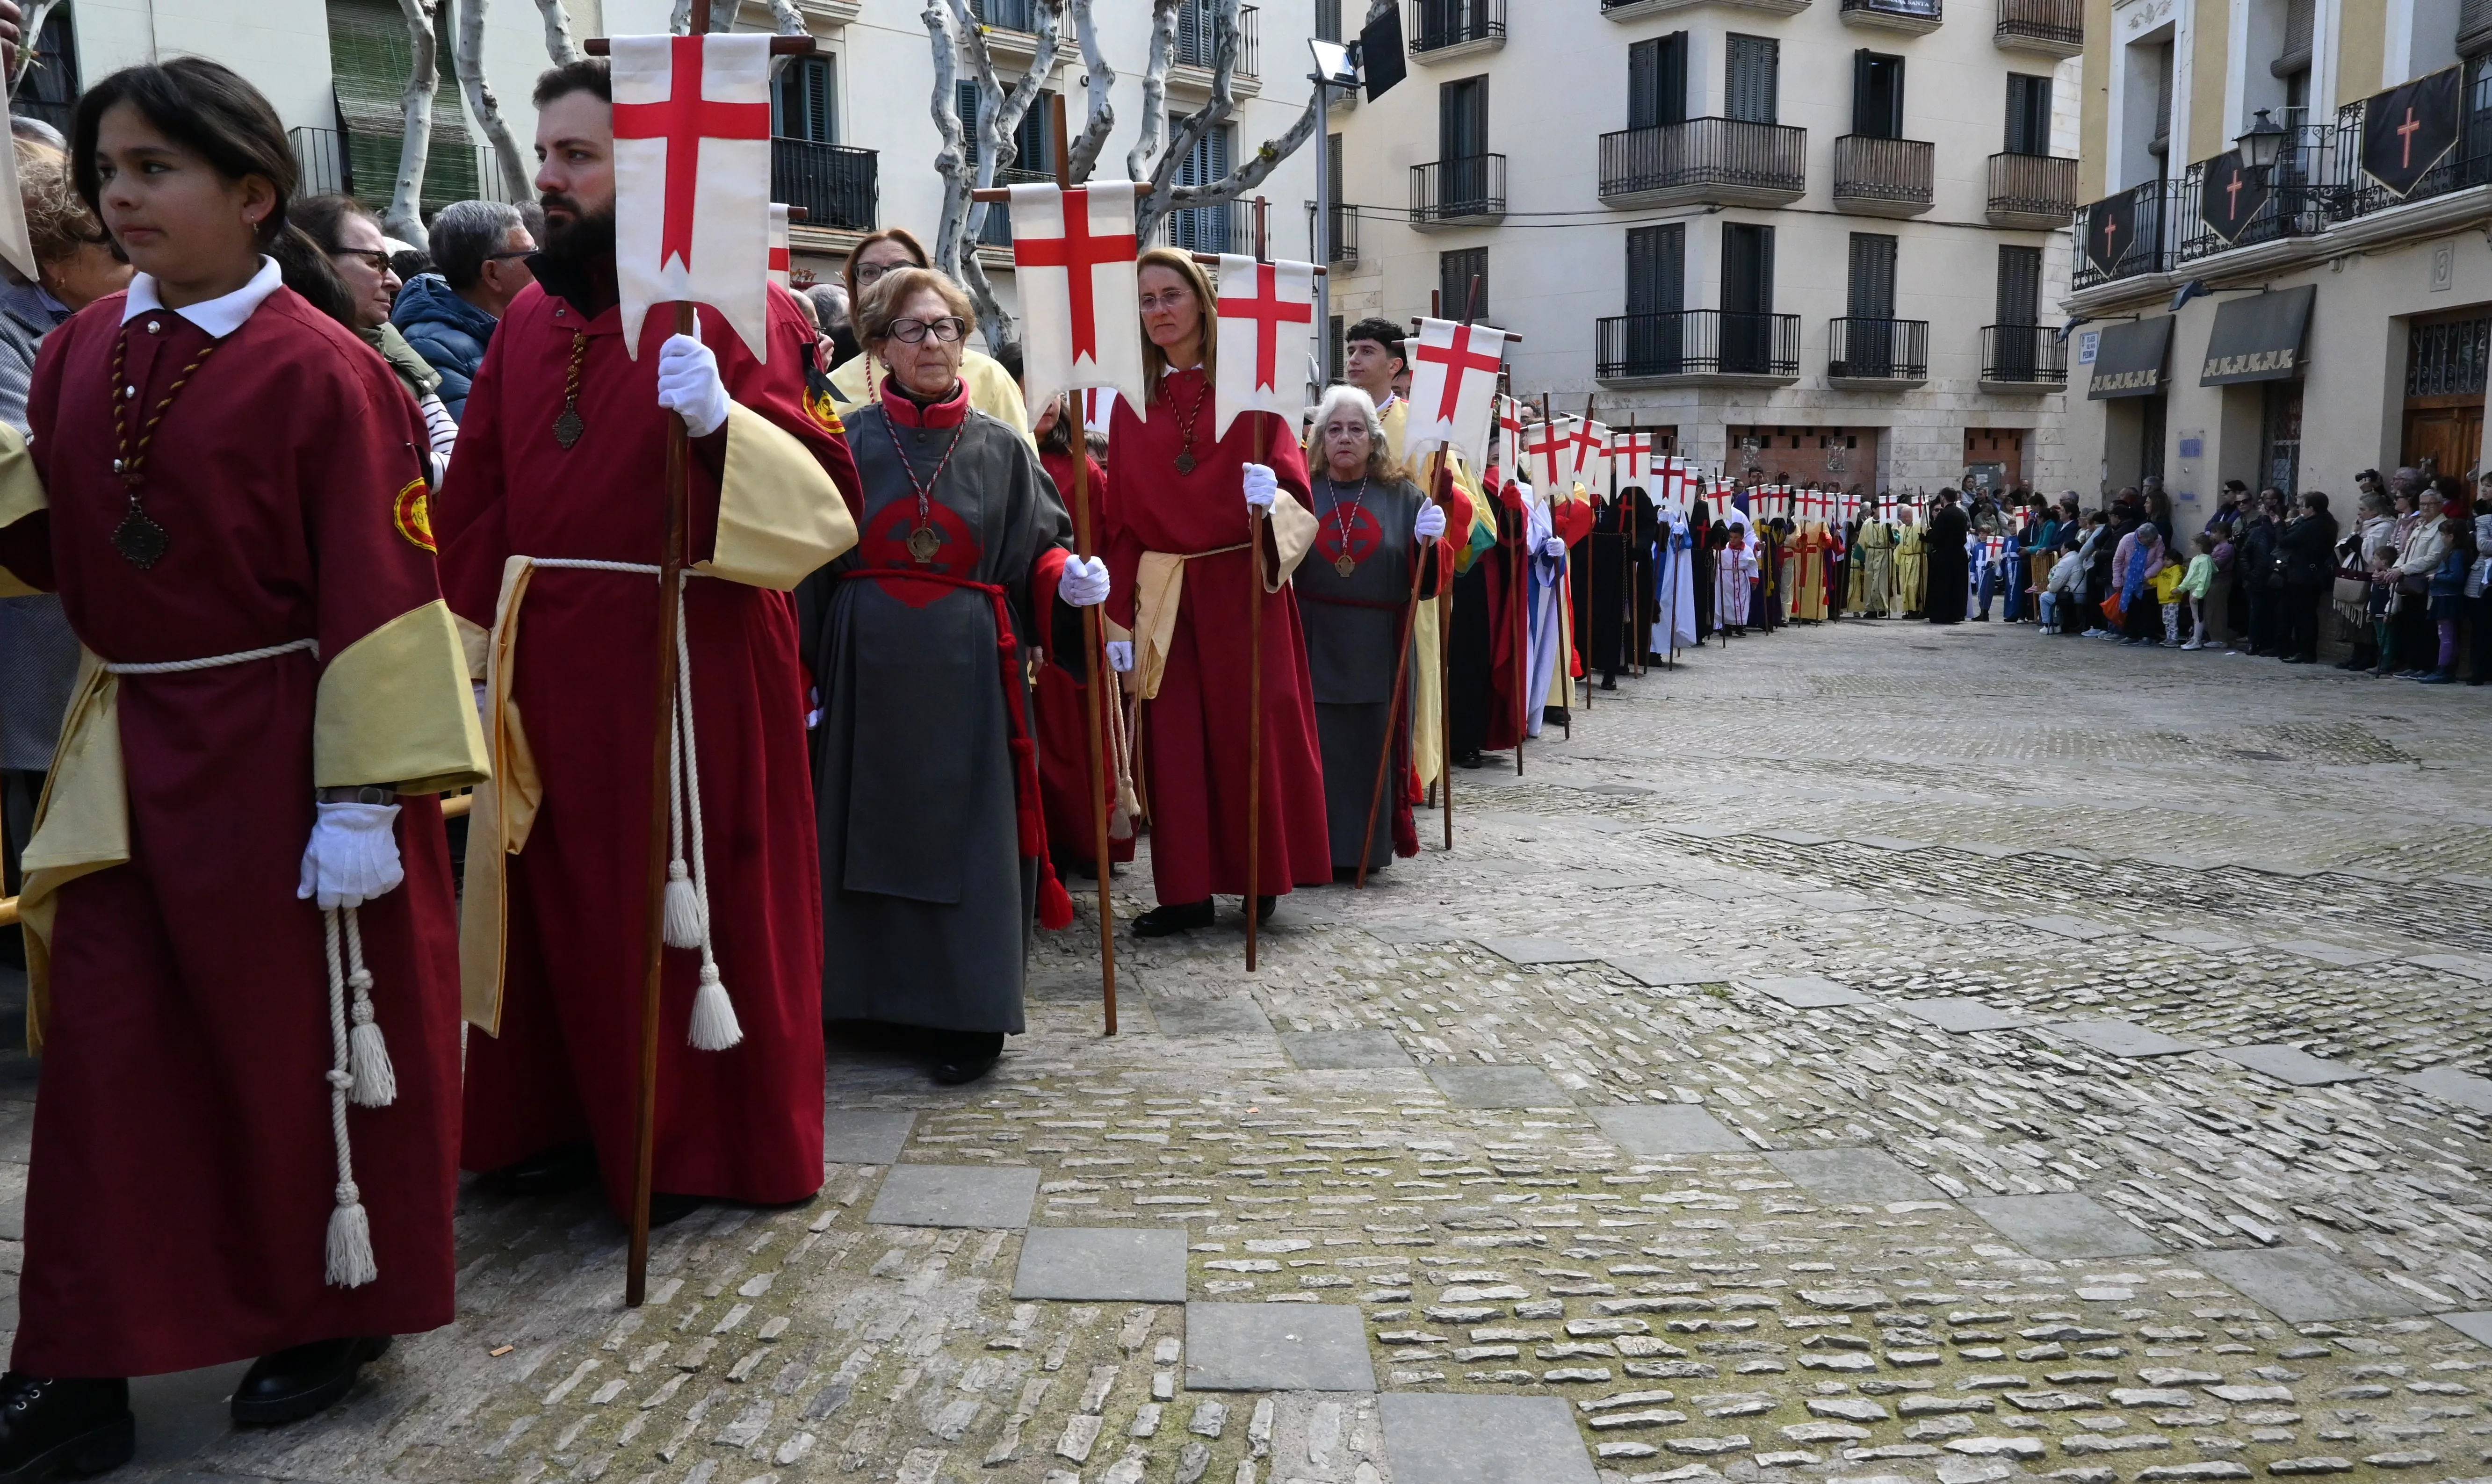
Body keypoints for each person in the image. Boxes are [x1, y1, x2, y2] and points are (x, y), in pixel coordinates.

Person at [0, 58, 490, 1460]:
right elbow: (69, 536)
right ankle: (82, 1358)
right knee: (105, 1055)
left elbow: (384, 591)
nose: (118, 194)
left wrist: (360, 800)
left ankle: (328, 1301)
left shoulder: (330, 370)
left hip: (289, 752)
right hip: (129, 749)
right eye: (108, 169)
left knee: (291, 1052)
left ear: (250, 192)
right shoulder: (82, 345)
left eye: (153, 167)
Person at [439, 58, 861, 1223]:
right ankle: (566, 1116)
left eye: (579, 157)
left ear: (655, 175)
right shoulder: (526, 318)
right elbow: (477, 501)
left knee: (682, 891)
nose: (550, 180)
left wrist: (728, 428)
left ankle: (691, 1140)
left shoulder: (743, 308)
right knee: (563, 896)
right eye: (547, 156)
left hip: (694, 657)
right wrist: (462, 659)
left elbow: (828, 501)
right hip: (549, 658)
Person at [801, 268, 1102, 1084]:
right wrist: (805, 673)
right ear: (877, 347)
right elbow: (811, 562)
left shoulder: (1002, 447)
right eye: (913, 330)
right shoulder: (847, 438)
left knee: (966, 836)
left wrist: (1063, 584)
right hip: (864, 667)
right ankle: (861, 996)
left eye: (945, 329)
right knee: (864, 822)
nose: (933, 344)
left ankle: (966, 1012)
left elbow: (1038, 547)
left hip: (971, 671)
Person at [1102, 246, 1328, 937]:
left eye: (1171, 295)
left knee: (1248, 731)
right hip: (1167, 593)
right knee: (1173, 745)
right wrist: (1114, 617)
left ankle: (1260, 875)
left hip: (1242, 585)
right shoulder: (1127, 400)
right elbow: (1120, 519)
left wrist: (1274, 500)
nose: (1159, 311)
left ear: (1202, 300)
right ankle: (1186, 890)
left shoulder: (1252, 392)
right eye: (1146, 301)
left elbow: (1296, 497)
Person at [0, 138, 130, 915]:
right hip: (41, 609)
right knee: (48, 796)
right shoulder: (15, 335)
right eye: (108, 247)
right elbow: (29, 451)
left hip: (105, 605)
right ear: (53, 262)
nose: (132, 257)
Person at [1295, 385, 1462, 875]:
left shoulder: (1404, 497)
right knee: (1315, 747)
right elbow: (1273, 564)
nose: (1344, 438)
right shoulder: (1301, 492)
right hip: (1312, 635)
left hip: (1378, 642)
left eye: (1355, 429)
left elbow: (1427, 581)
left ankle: (1361, 851)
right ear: (1320, 440)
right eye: (1334, 429)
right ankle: (1313, 852)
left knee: (1370, 746)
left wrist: (1429, 541)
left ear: (1374, 439)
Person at [1328, 317, 1484, 788]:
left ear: (1395, 365)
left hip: (1398, 579)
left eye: (1366, 351)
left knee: (1407, 675)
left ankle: (1406, 771)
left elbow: (1466, 509)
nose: (1353, 359)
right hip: (1332, 581)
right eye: (1350, 350)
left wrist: (1444, 509)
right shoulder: (1329, 418)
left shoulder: (1420, 427)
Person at [1028, 392, 1133, 879]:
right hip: (1012, 607)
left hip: (1069, 616)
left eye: (1052, 391)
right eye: (1030, 389)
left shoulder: (1082, 470)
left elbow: (1104, 545)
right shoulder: (1003, 455)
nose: (1045, 402)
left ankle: (1083, 839)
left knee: (1074, 735)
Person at [291, 193, 457, 470]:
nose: (395, 281)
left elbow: (452, 448)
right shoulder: (286, 358)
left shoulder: (386, 334)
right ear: (315, 262)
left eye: (389, 264)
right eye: (375, 263)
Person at [826, 226, 1028, 444]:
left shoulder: (991, 377)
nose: (884, 280)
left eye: (900, 269)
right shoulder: (833, 388)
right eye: (869, 272)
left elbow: (1021, 470)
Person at [389, 198, 535, 422]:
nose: (542, 263)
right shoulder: (430, 349)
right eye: (531, 254)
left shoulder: (522, 323)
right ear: (493, 273)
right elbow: (477, 448)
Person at [2336, 489, 2395, 671]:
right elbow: (2345, 546)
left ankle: (2368, 657)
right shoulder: (2364, 525)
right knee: (2354, 623)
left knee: (2366, 622)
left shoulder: (2385, 526)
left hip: (2371, 578)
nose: (2359, 513)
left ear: (2375, 511)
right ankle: (2356, 655)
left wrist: (2355, 537)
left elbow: (2371, 552)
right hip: (2354, 576)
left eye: (2363, 509)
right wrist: (2354, 534)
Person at [2278, 490, 2339, 663]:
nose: (2300, 510)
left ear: (2312, 508)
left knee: (2304, 615)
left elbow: (2285, 542)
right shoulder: (2326, 522)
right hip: (2311, 574)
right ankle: (2304, 651)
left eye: (2303, 507)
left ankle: (2305, 652)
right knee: (2306, 614)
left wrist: (2280, 525)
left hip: (2305, 575)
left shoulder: (2312, 525)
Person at [2417, 513, 2474, 683]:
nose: (2442, 538)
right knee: (2447, 635)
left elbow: (2457, 577)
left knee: (2446, 636)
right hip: (2444, 597)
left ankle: (2444, 669)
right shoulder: (2452, 552)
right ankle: (2445, 668)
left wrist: (2437, 577)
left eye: (2444, 535)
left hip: (2448, 598)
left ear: (2452, 537)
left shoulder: (2456, 554)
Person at [2237, 491, 2284, 654]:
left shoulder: (2281, 528)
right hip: (2257, 577)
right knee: (2257, 612)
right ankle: (2255, 642)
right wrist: (2249, 574)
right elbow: (2244, 553)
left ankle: (2267, 643)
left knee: (2271, 612)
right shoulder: (2257, 529)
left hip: (2273, 576)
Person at [1923, 489, 1969, 624]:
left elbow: (1938, 535)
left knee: (1942, 586)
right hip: (1959, 554)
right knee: (1957, 586)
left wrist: (1928, 537)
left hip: (1945, 555)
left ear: (1943, 498)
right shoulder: (1961, 513)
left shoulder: (1945, 515)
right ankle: (1956, 614)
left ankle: (1941, 614)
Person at [2177, 532, 2217, 649]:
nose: (2191, 547)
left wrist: (2198, 594)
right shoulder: (2197, 559)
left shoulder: (2205, 560)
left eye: (2193, 544)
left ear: (2200, 546)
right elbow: (2190, 576)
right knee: (2195, 616)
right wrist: (2181, 588)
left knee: (2199, 617)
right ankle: (2195, 638)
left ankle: (2197, 640)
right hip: (2192, 589)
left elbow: (2204, 578)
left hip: (2198, 591)